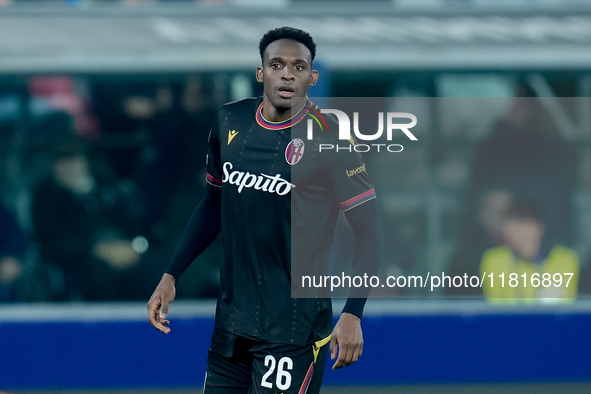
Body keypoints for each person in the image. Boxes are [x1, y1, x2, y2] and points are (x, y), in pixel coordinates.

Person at [147, 27, 384, 393]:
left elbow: (369, 232)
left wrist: (353, 312)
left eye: (298, 67)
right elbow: (213, 203)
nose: (287, 74)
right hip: (231, 325)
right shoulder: (229, 121)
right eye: (276, 64)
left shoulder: (330, 138)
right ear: (261, 73)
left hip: (293, 329)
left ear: (311, 77)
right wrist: (171, 274)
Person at [480, 199, 579, 304]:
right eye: (508, 223)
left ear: (538, 227)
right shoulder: (494, 260)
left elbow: (565, 307)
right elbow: (496, 307)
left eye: (518, 222)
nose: (509, 229)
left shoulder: (565, 259)